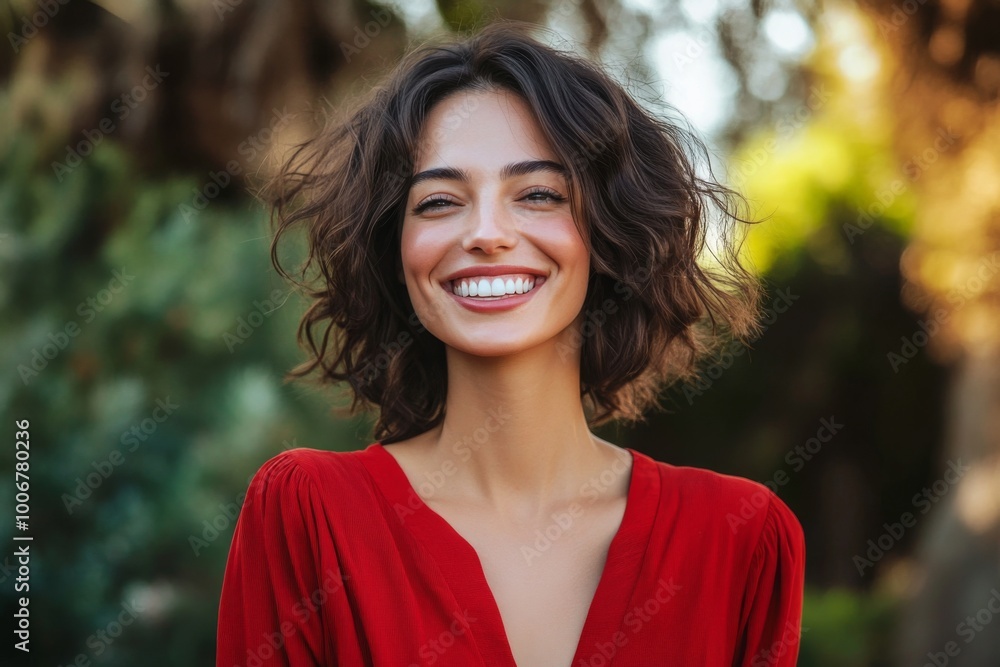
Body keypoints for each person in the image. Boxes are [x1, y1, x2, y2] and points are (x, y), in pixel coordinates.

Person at [216, 19, 805, 667]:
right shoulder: (312, 514)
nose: (487, 233)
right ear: (397, 250)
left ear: (608, 234)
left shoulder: (739, 538)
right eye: (440, 201)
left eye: (539, 194)